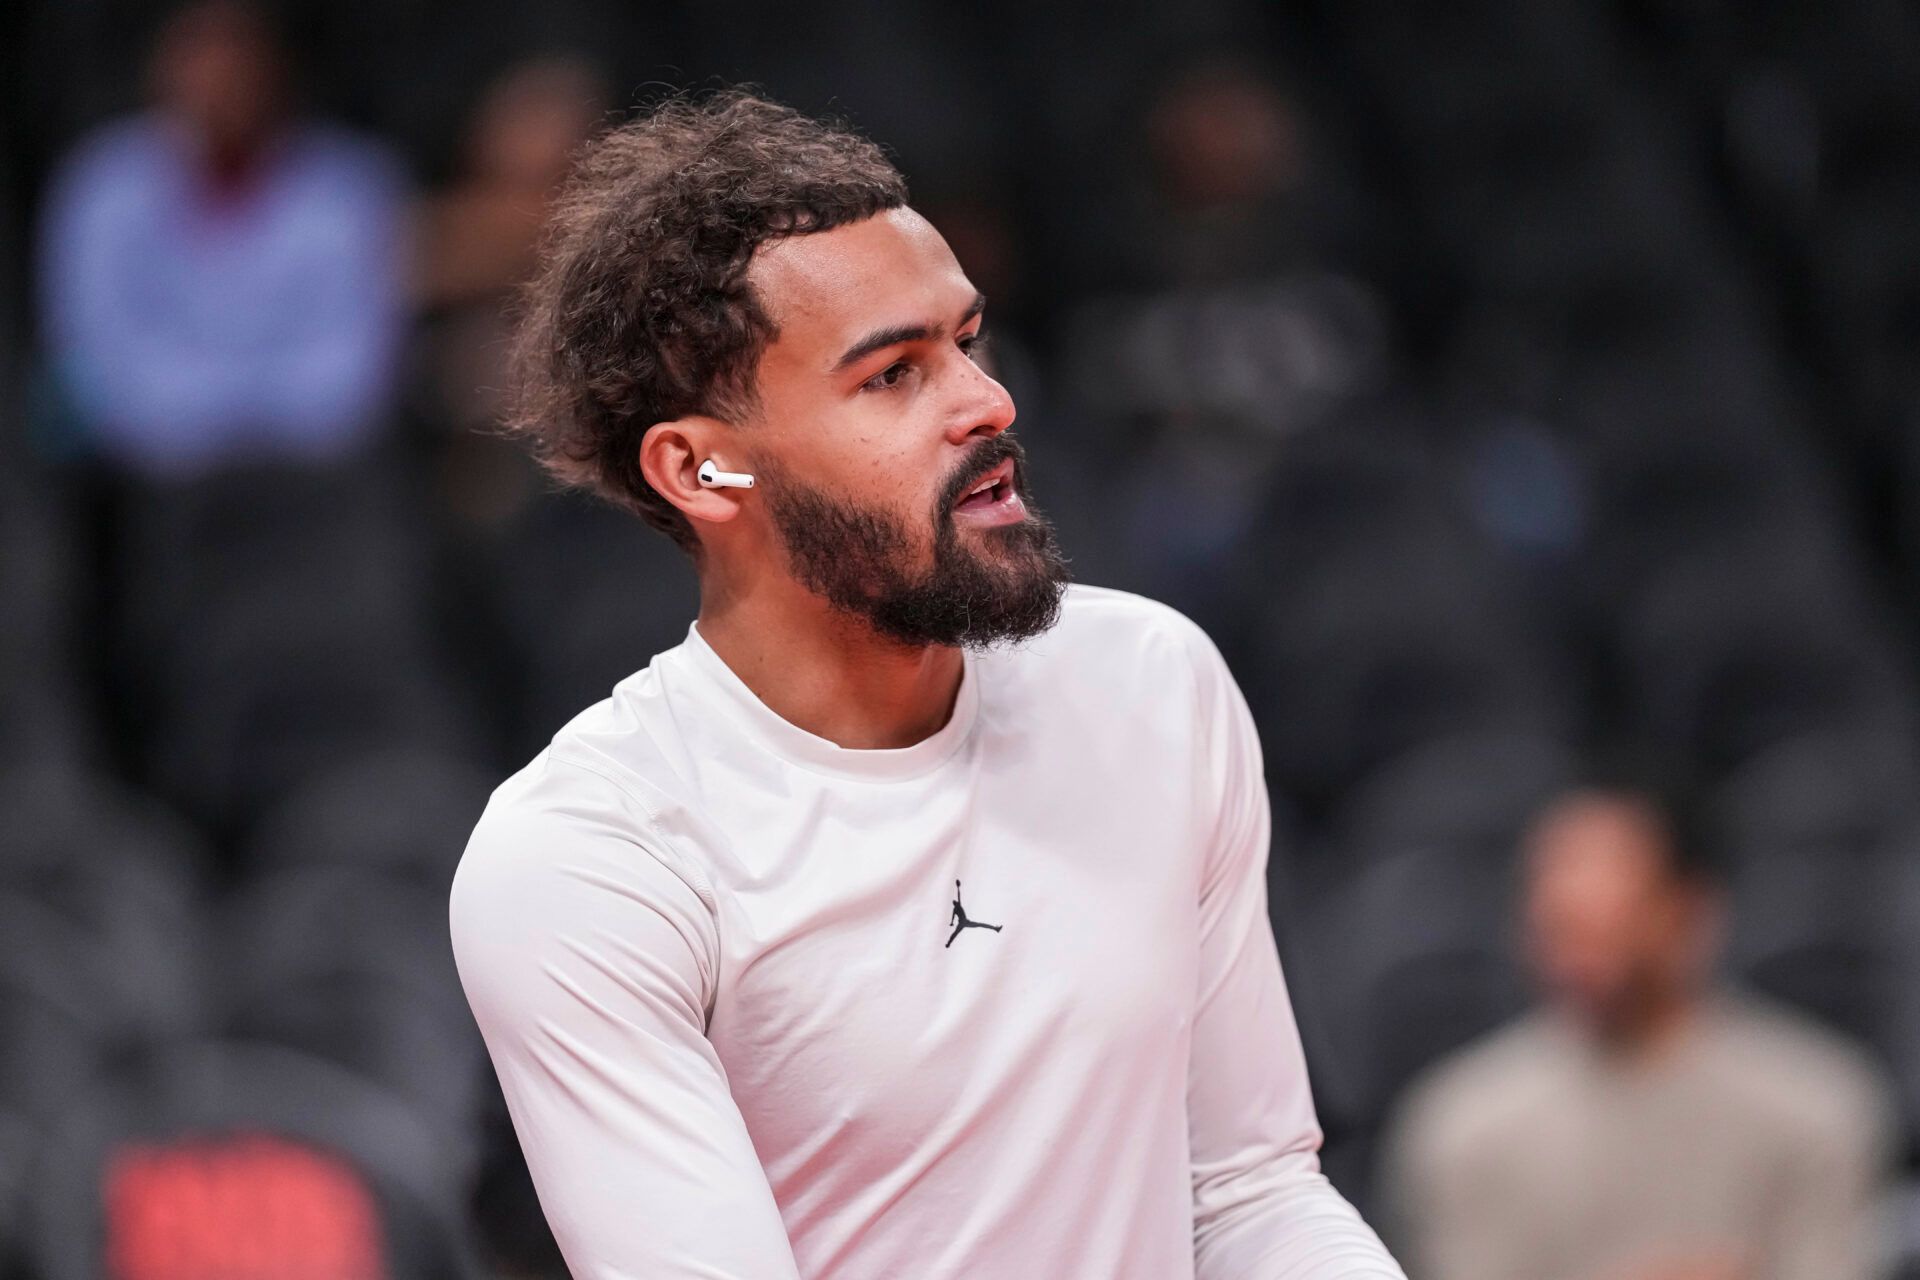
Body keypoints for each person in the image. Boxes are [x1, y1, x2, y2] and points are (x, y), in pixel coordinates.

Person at [447, 90, 1405, 1279]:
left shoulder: (1154, 683)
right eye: (895, 374)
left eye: (967, 337)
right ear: (703, 468)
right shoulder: (593, 855)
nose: (988, 402)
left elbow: (1248, 1195)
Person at [1376, 768, 1899, 1280]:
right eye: (1562, 920)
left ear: (1691, 910)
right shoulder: (1463, 1125)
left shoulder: (1814, 1108)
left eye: (1607, 913)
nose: (1580, 947)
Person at [36, 0, 406, 476]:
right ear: (162, 69)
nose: (221, 84)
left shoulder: (350, 189)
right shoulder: (102, 188)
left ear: (276, 70)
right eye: (202, 61)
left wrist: (247, 424)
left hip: (315, 481)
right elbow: (98, 363)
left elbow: (356, 373)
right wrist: (226, 418)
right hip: (142, 483)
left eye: (238, 62)